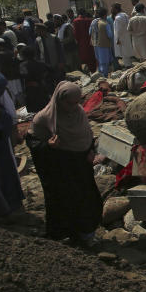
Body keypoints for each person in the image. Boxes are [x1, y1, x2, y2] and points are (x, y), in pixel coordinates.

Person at [27, 81, 102, 243]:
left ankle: (86, 234)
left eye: (77, 102)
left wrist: (91, 151)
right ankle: (63, 235)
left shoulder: (79, 112)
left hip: (80, 166)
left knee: (85, 199)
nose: (74, 106)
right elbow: (33, 142)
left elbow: (87, 135)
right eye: (70, 103)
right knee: (63, 201)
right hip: (60, 170)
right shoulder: (43, 118)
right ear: (59, 100)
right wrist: (48, 145)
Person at [0, 72, 24, 220]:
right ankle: (9, 206)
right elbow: (9, 116)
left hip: (1, 137)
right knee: (6, 170)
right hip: (0, 141)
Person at [19, 46, 51, 114]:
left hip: (31, 90)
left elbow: (24, 75)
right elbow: (51, 71)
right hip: (42, 88)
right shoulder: (41, 63)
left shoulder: (23, 65)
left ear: (24, 55)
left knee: (34, 112)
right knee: (45, 109)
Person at [0, 40, 22, 105]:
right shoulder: (11, 52)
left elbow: (0, 67)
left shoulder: (0, 54)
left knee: (11, 96)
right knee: (19, 94)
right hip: (16, 77)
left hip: (8, 78)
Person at [90, 7, 114, 76]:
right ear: (105, 15)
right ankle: (104, 76)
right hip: (104, 45)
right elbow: (110, 35)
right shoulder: (105, 24)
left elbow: (89, 32)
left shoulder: (94, 22)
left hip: (95, 44)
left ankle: (100, 74)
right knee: (105, 62)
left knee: (99, 61)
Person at [111, 3, 132, 68]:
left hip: (121, 38)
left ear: (116, 9)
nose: (111, 10)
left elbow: (118, 30)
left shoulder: (118, 18)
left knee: (123, 53)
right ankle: (129, 65)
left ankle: (127, 66)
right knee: (127, 52)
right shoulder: (125, 15)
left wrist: (117, 39)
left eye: (113, 8)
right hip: (127, 36)